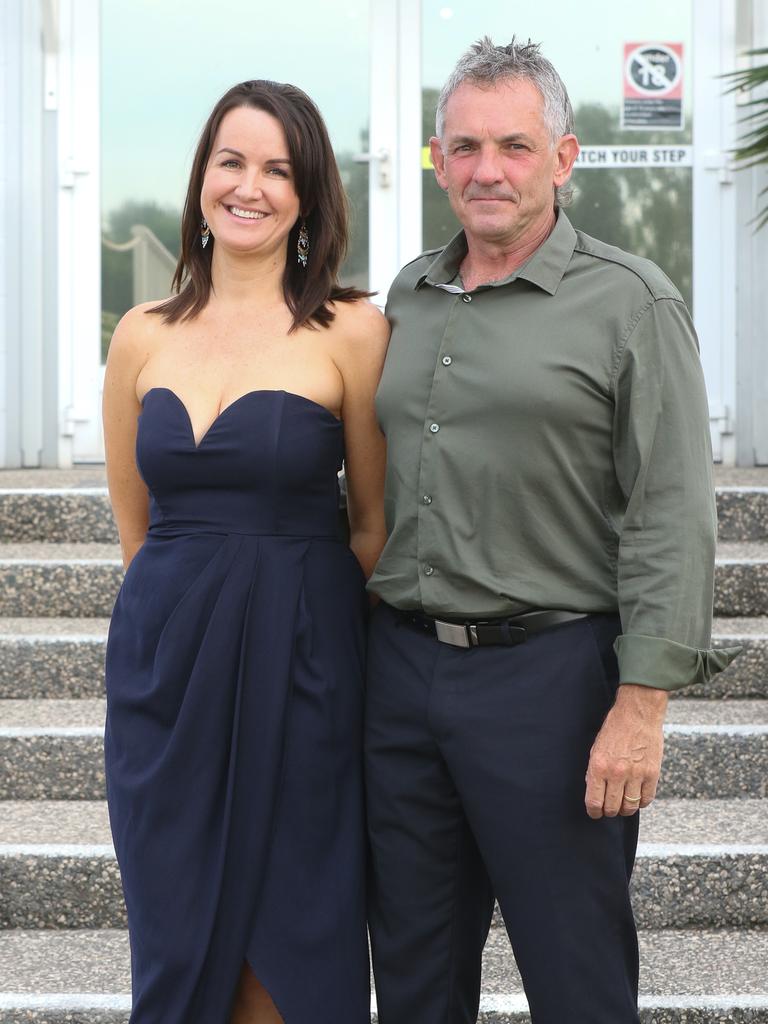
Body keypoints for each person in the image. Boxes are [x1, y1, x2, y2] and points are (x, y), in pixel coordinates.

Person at [364, 37, 740, 1024]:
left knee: (575, 978)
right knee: (410, 977)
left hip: (552, 684)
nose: (488, 170)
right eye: (466, 147)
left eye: (516, 147)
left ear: (564, 159)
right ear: (438, 159)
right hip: (401, 679)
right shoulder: (409, 293)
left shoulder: (631, 301)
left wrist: (642, 703)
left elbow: (672, 510)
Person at [102, 79, 388, 1024]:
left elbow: (372, 526)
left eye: (277, 168)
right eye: (231, 161)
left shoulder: (351, 331)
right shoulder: (139, 337)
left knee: (291, 935)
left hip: (302, 663)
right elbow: (137, 525)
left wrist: (311, 632)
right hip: (167, 673)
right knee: (178, 927)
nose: (249, 185)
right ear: (201, 179)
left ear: (308, 193)